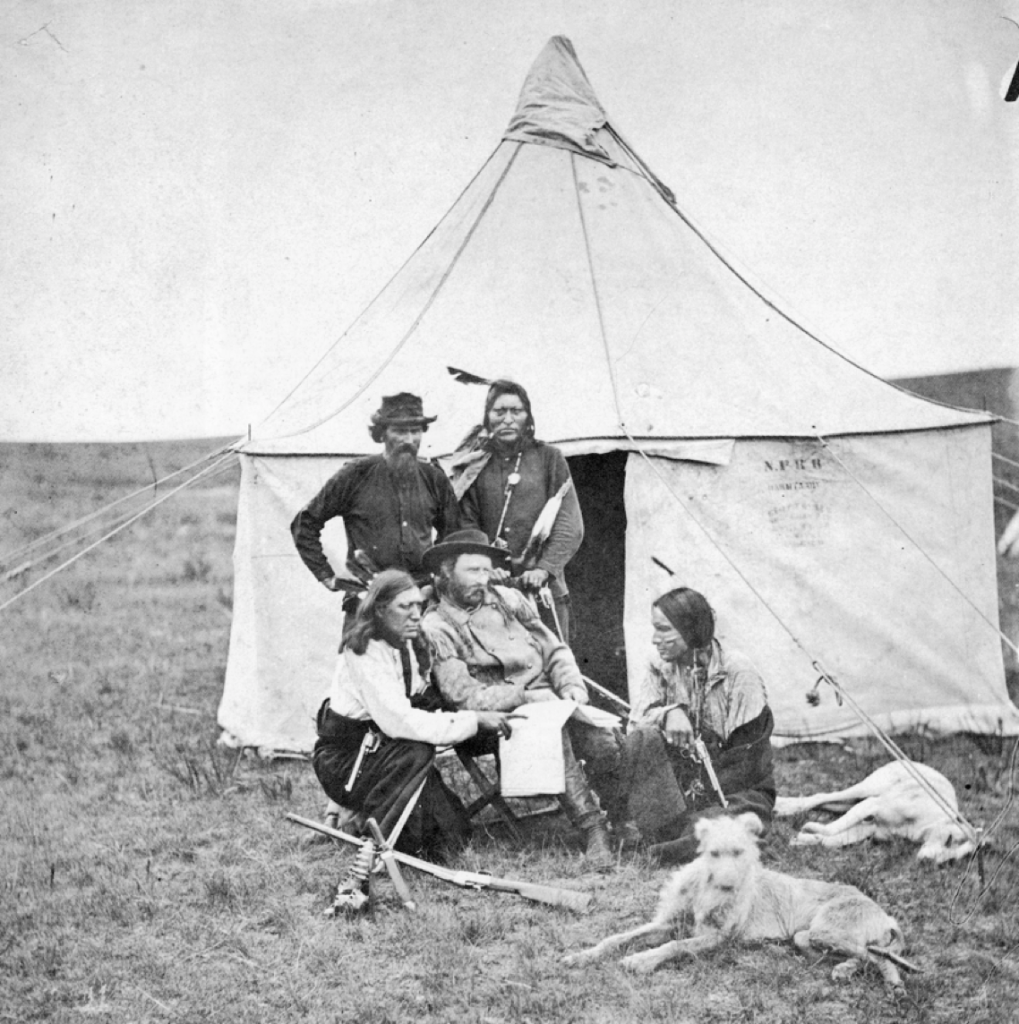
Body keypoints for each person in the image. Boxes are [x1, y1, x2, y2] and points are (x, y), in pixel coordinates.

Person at [420, 529, 624, 865]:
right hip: (495, 719)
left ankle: (622, 818)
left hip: (550, 700)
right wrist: (525, 697)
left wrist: (571, 686)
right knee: (551, 731)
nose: (483, 579)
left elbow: (554, 649)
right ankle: (593, 828)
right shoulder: (437, 627)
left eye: (486, 570)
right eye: (472, 570)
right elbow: (465, 697)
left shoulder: (508, 599)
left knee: (602, 736)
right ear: (446, 573)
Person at [311, 568, 516, 859]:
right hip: (348, 761)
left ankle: (363, 821)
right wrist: (473, 720)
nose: (415, 614)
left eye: (418, 605)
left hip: (389, 753)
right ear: (380, 610)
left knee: (453, 833)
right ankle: (374, 838)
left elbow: (422, 703)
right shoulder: (363, 651)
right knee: (417, 754)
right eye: (404, 607)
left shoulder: (409, 643)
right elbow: (400, 722)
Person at [622, 586, 777, 864]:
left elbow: (748, 762)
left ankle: (670, 843)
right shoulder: (660, 666)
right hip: (679, 787)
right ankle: (684, 836)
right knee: (643, 738)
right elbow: (636, 725)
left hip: (735, 790)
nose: (655, 639)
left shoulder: (737, 672)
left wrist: (703, 800)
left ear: (690, 629)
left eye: (664, 630)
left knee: (723, 822)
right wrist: (669, 713)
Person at [291, 392, 460, 597]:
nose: (408, 439)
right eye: (399, 431)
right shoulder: (355, 474)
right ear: (382, 434)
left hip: (420, 596)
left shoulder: (434, 478)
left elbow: (453, 535)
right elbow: (304, 523)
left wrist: (435, 579)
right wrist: (327, 575)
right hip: (367, 597)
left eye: (415, 431)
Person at [456, 379, 582, 641]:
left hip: (543, 588)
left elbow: (569, 523)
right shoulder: (476, 464)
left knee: (553, 667)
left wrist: (543, 569)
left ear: (528, 416)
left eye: (516, 411)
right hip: (490, 588)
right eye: (499, 412)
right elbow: (466, 525)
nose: (508, 419)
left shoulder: (549, 458)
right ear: (487, 418)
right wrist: (486, 566)